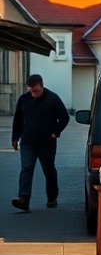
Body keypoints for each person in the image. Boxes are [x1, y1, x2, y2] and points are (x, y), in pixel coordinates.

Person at [11, 74, 70, 212]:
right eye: (31, 90)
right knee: (26, 168)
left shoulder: (52, 99)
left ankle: (52, 197)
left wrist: (56, 132)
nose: (34, 93)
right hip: (28, 142)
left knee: (48, 169)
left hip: (47, 142)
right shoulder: (24, 99)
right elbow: (18, 120)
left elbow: (64, 118)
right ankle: (23, 199)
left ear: (41, 85)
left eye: (36, 90)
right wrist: (15, 138)